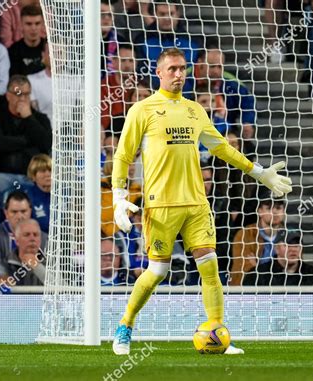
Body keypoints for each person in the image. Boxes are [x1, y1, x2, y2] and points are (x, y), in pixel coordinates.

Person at [111, 47, 292, 355]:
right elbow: (123, 155)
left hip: (196, 204)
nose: (178, 74)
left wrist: (259, 172)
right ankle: (125, 326)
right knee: (157, 272)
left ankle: (217, 331)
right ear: (159, 72)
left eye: (182, 68)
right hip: (161, 205)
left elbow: (222, 148)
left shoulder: (195, 110)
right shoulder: (142, 110)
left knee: (210, 267)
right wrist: (119, 196)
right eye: (172, 69)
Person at [0, 75, 52, 193]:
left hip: (31, 177)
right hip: (3, 175)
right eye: (18, 94)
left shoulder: (40, 119)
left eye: (26, 94)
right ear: (8, 95)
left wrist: (29, 118)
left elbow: (46, 144)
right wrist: (29, 141)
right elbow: (0, 144)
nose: (23, 98)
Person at [183, 47, 256, 142]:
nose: (216, 71)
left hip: (225, 132)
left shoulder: (232, 84)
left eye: (220, 67)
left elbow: (247, 102)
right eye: (212, 66)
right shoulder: (183, 82)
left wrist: (248, 122)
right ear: (200, 63)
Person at [0, 190, 47, 273]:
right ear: (6, 213)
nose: (19, 216)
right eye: (14, 212)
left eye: (23, 211)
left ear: (30, 211)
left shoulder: (43, 238)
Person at [229, 198, 286, 286]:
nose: (274, 212)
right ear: (260, 211)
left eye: (278, 208)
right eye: (269, 208)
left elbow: (293, 268)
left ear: (283, 211)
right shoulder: (245, 234)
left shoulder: (290, 236)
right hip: (248, 290)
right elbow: (245, 269)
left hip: (281, 288)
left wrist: (257, 267)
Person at [243, 229, 313, 286]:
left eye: (296, 245)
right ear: (276, 249)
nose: (293, 249)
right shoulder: (257, 275)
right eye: (287, 245)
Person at [1, 218, 46, 285]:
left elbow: (62, 288)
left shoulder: (50, 262)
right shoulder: (5, 264)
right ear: (16, 240)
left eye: (35, 235)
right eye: (27, 235)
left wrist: (37, 267)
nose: (32, 239)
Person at [8, 5, 46, 76]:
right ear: (21, 25)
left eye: (37, 23)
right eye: (29, 24)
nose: (33, 28)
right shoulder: (13, 52)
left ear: (42, 25)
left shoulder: (50, 50)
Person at [25, 154, 51, 234]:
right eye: (43, 171)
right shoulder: (27, 197)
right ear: (33, 176)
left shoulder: (65, 194)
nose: (48, 174)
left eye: (51, 170)